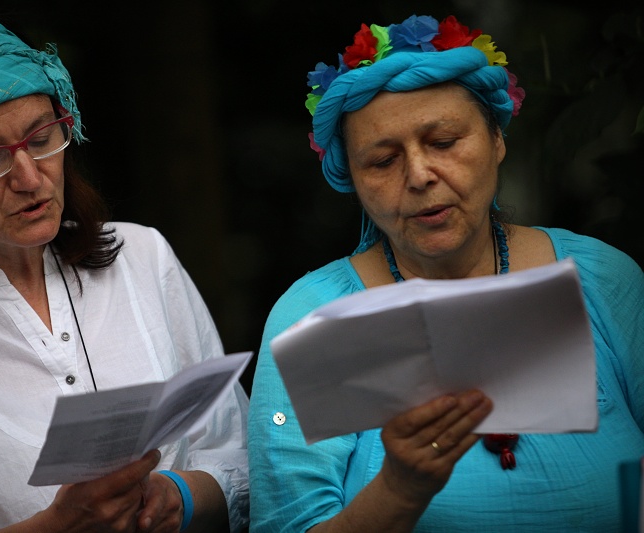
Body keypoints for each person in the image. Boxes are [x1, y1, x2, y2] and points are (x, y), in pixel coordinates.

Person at [0, 5, 249, 532]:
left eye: (41, 139)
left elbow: (240, 448)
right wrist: (56, 525)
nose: (31, 179)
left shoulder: (142, 257)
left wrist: (179, 497)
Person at [247, 13, 644, 532]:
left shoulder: (604, 280)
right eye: (383, 161)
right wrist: (398, 491)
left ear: (496, 139)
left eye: (444, 141)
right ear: (354, 181)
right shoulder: (312, 318)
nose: (419, 176)